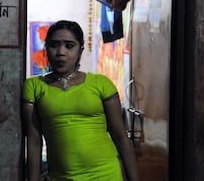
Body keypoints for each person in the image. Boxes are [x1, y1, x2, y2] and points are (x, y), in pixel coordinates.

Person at [22, 20, 139, 181]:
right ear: (46, 49)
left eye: (69, 45)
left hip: (106, 174)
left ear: (80, 50)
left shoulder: (100, 84)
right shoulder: (34, 86)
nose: (61, 52)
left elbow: (120, 136)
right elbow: (34, 141)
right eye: (54, 45)